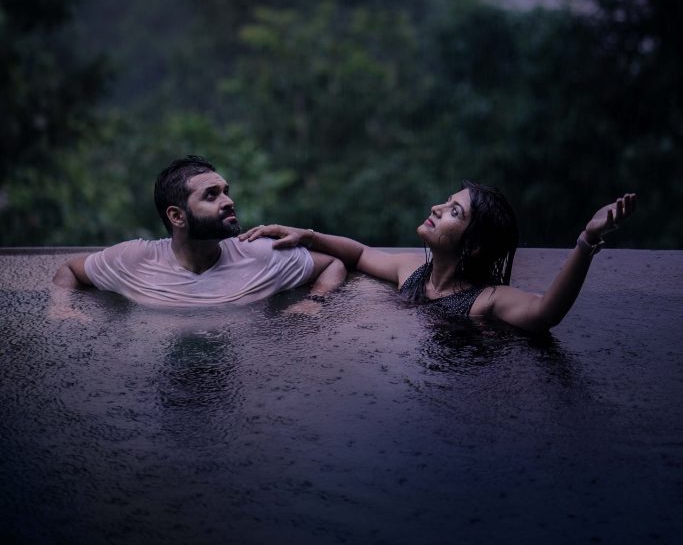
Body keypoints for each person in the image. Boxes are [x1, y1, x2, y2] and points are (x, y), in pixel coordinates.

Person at [239, 181, 637, 333]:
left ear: (474, 245)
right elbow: (359, 253)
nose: (436, 208)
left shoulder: (488, 300)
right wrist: (306, 235)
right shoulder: (412, 271)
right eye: (446, 203)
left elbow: (546, 313)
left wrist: (585, 242)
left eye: (453, 212)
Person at [53, 155, 346, 307]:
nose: (229, 201)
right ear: (177, 216)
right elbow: (70, 270)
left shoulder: (260, 254)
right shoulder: (135, 258)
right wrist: (61, 310)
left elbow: (333, 263)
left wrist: (314, 302)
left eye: (226, 191)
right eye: (211, 195)